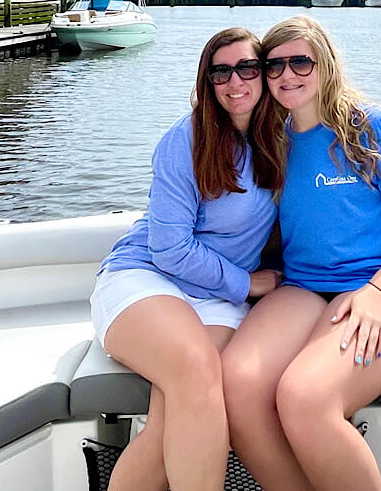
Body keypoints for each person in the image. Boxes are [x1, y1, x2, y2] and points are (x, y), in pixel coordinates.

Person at [222, 15, 381, 491]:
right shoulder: (271, 140)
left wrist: (376, 292)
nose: (287, 74)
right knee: (236, 384)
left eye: (300, 61)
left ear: (325, 63)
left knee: (303, 397)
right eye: (274, 64)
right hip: (302, 286)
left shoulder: (370, 128)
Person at [90, 27, 285, 491]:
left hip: (215, 299)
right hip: (147, 279)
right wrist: (249, 285)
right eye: (221, 72)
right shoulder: (186, 140)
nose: (234, 82)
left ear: (263, 75)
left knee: (171, 418)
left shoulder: (280, 139)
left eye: (247, 68)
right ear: (207, 81)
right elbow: (170, 248)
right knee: (197, 368)